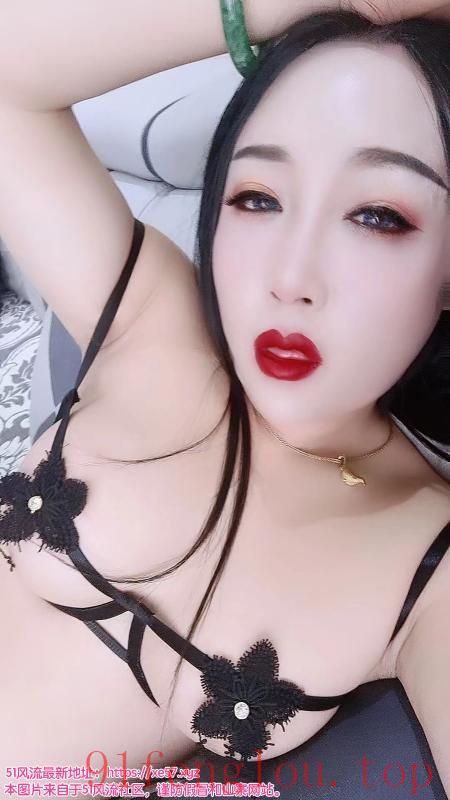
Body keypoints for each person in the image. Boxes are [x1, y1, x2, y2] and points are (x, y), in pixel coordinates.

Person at [0, 0, 449, 797]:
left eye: (378, 216)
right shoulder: (153, 323)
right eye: (257, 198)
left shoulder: (427, 560)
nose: (290, 277)